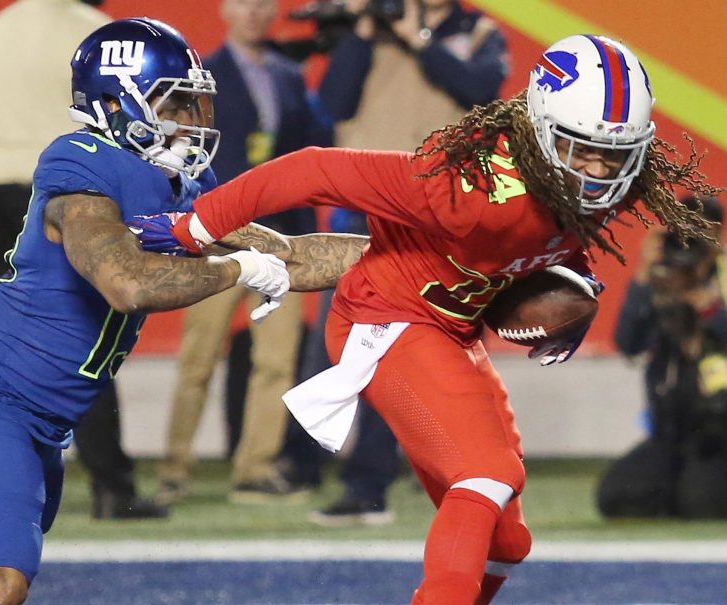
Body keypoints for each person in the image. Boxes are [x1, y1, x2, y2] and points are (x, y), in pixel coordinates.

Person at [131, 34, 722, 605]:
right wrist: (194, 226)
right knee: (485, 475)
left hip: (451, 330)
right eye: (580, 148)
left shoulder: (597, 183)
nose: (595, 171)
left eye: (611, 154)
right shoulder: (469, 190)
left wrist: (572, 285)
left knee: (509, 542)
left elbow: (549, 240)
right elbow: (312, 168)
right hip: (389, 318)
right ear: (540, 134)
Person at [0, 18, 366, 605]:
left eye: (195, 102)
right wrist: (235, 270)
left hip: (42, 423)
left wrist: (420, 255)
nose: (193, 120)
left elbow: (289, 254)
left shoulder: (177, 184)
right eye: (177, 102)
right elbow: (125, 284)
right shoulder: (80, 166)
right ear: (115, 101)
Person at [303, 0, 509, 525]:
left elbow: (480, 92)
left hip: (446, 211)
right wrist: (364, 31)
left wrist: (417, 37)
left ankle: (447, 473)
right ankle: (356, 479)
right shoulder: (369, 31)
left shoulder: (478, 30)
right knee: (355, 346)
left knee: (440, 350)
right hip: (367, 208)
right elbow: (333, 104)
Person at [0, 0, 167, 520]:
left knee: (10, 339)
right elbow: (120, 123)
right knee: (85, 338)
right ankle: (110, 483)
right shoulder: (93, 32)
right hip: (65, 195)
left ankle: (7, 480)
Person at [156, 0, 322, 504]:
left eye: (263, 5)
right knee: (199, 358)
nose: (254, 12)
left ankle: (255, 468)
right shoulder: (202, 77)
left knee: (276, 361)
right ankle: (174, 468)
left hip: (279, 241)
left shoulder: (289, 77)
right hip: (218, 236)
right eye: (245, 4)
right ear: (227, 11)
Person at [597, 196, 727, 519]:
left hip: (719, 432)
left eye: (700, 234)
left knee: (702, 505)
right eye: (682, 231)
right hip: (669, 434)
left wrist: (707, 308)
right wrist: (643, 274)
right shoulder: (658, 280)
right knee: (618, 496)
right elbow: (628, 344)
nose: (690, 242)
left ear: (717, 236)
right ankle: (682, 487)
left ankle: (692, 489)